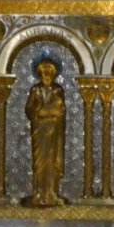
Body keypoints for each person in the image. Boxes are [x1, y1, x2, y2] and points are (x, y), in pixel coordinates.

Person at [24, 58, 67, 207]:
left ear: (54, 73)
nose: (47, 74)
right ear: (40, 73)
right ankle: (38, 193)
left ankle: (52, 193)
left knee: (52, 161)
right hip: (40, 131)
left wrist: (51, 111)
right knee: (40, 163)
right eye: (44, 71)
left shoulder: (58, 90)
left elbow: (61, 111)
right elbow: (29, 109)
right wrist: (39, 111)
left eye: (49, 71)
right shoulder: (36, 90)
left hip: (54, 132)